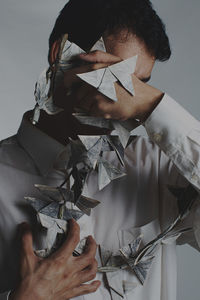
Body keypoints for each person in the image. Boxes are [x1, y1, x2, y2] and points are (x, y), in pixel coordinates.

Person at [0, 0, 200, 299]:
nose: (125, 100)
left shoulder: (161, 169)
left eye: (140, 85)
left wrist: (153, 106)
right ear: (60, 55)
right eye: (116, 76)